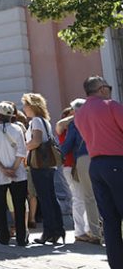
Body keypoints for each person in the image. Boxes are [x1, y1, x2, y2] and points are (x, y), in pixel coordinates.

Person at [74, 75, 123, 269]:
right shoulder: (110, 105)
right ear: (102, 89)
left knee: (110, 220)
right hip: (117, 162)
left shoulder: (80, 113)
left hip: (96, 165)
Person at [22, 92, 64, 244]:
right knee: (51, 197)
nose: (24, 108)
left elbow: (37, 141)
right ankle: (58, 230)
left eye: (26, 105)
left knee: (45, 198)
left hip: (39, 163)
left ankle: (49, 232)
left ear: (32, 106)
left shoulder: (36, 121)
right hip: (48, 163)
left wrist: (23, 148)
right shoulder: (44, 120)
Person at [0, 102, 29, 246]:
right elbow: (21, 152)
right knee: (19, 206)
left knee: (0, 205)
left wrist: (4, 170)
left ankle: (3, 235)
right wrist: (14, 168)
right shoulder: (18, 129)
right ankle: (21, 236)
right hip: (18, 173)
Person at [60, 98, 102, 244]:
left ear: (74, 110)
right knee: (100, 195)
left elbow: (68, 143)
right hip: (102, 157)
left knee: (87, 197)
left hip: (84, 159)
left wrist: (58, 155)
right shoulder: (98, 119)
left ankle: (93, 232)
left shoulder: (75, 123)